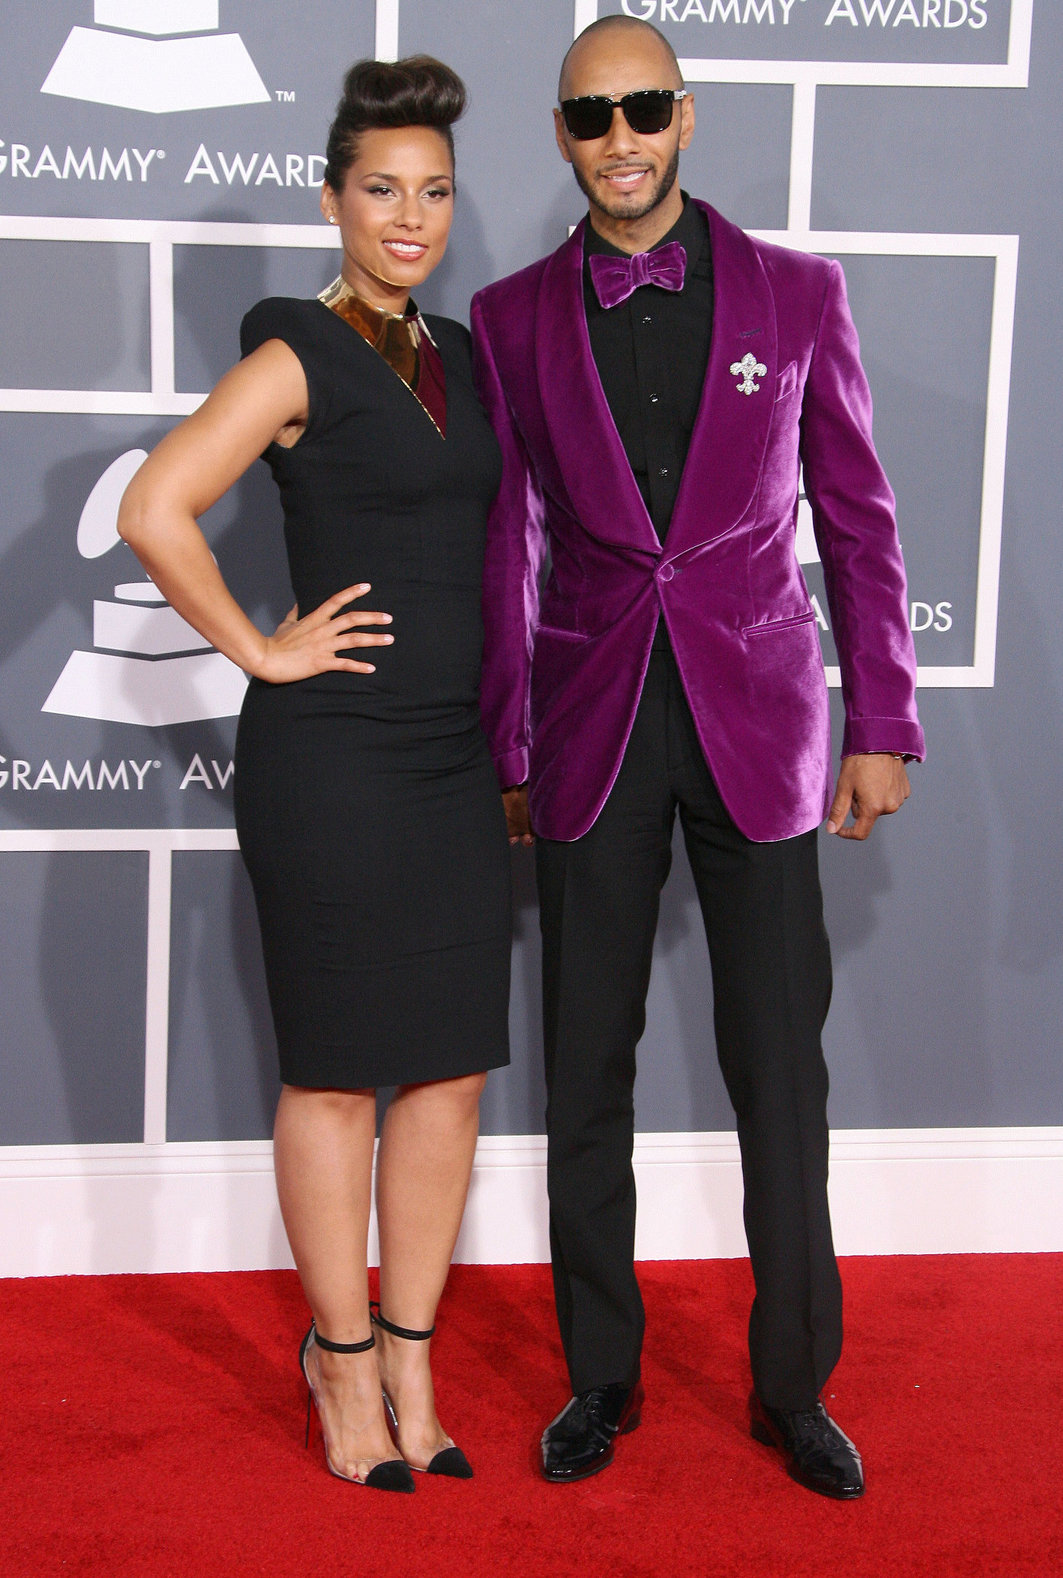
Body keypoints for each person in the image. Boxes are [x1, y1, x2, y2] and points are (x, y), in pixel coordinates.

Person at [472, 16, 925, 1499]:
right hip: (592, 721)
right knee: (584, 1063)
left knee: (779, 1070)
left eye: (645, 106)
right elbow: (510, 544)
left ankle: (795, 1381)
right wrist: (509, 736)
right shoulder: (511, 315)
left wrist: (883, 721)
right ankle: (601, 1373)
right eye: (593, 114)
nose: (622, 136)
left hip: (764, 723)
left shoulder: (798, 294)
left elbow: (859, 521)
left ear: (686, 115)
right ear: (561, 135)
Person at [119, 56, 510, 1493]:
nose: (410, 218)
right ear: (334, 198)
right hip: (332, 765)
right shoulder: (296, 348)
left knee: (451, 1077)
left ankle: (414, 1345)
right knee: (340, 1073)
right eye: (381, 191)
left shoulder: (467, 356)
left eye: (434, 193)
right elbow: (154, 504)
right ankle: (340, 1360)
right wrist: (258, 651)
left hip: (453, 760)